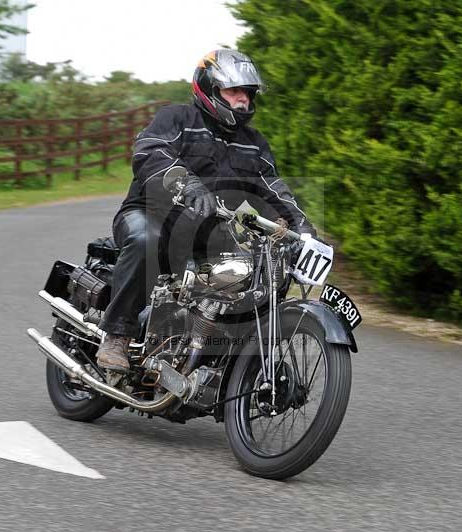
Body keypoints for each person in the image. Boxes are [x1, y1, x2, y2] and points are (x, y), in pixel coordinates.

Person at [96, 49, 316, 372]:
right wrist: (187, 184)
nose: (243, 100)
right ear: (210, 89)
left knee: (250, 272)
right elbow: (150, 151)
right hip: (149, 215)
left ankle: (216, 353)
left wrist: (304, 230)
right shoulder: (177, 119)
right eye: (234, 91)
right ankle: (116, 335)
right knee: (147, 241)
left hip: (208, 231)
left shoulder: (253, 144)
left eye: (247, 93)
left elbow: (272, 187)